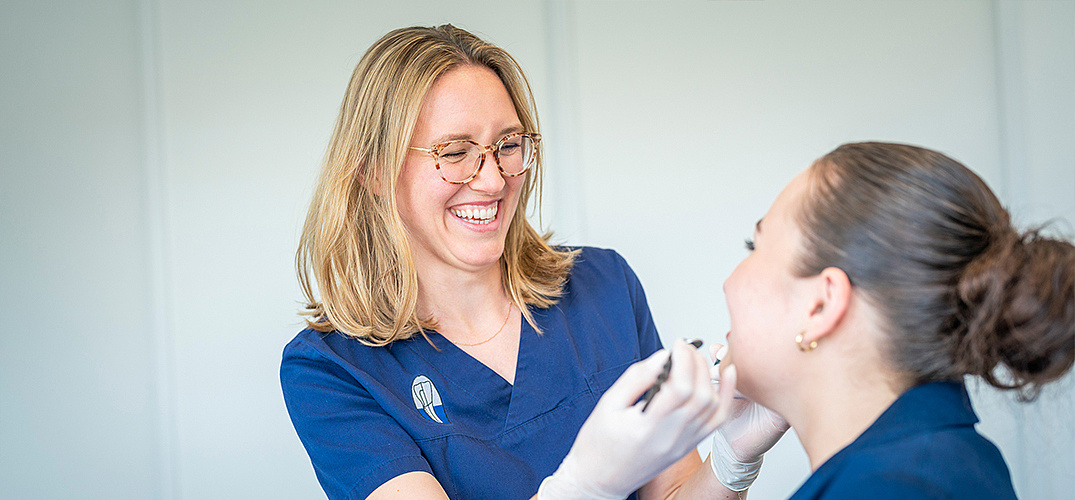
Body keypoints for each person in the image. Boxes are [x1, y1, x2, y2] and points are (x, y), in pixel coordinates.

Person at [281, 24, 784, 500]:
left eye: (508, 145)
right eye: (454, 152)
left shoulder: (603, 286)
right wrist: (585, 483)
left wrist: (731, 460)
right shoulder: (332, 370)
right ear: (372, 169)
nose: (493, 180)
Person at [718, 141, 1074, 499]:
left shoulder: (879, 489)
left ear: (822, 305)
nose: (727, 283)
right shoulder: (952, 463)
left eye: (754, 247)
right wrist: (729, 467)